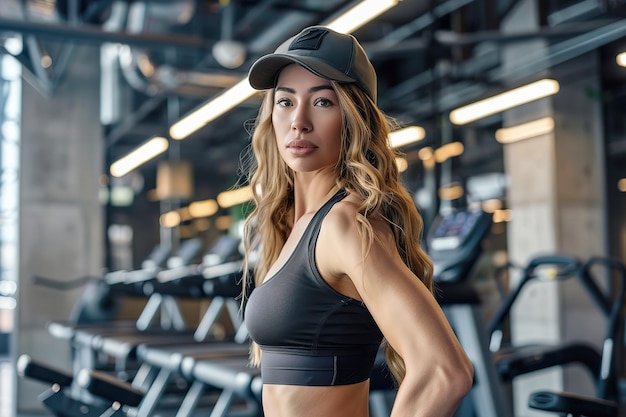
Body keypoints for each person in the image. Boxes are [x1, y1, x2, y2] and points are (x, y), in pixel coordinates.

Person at [240, 25, 473, 417]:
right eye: (285, 101)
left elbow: (444, 372)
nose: (299, 121)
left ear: (354, 118)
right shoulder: (294, 225)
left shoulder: (343, 225)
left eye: (323, 102)